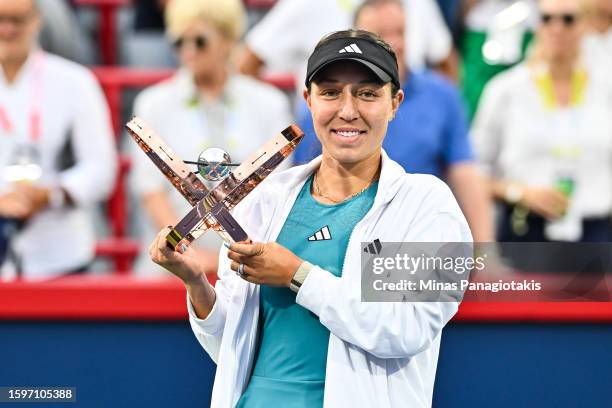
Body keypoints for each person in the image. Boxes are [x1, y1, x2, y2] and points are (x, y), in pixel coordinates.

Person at [150, 29, 472, 407]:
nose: (347, 110)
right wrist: (195, 283)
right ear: (308, 100)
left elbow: (401, 329)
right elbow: (229, 349)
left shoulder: (425, 205)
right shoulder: (265, 200)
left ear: (394, 103)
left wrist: (297, 275)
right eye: (330, 92)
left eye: (367, 93)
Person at [294, 0, 494, 242]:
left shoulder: (441, 95)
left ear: (394, 103)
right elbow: (303, 185)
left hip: (415, 230)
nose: (395, 42)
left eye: (399, 32)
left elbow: (465, 173)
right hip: (341, 231)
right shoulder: (323, 113)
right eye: (381, 36)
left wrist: (485, 251)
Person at [129, 0, 292, 276]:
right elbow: (151, 192)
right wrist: (185, 253)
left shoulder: (268, 102)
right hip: (171, 270)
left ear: (228, 40)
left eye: (200, 41)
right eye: (180, 42)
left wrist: (242, 253)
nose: (189, 51)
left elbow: (277, 188)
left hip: (248, 266)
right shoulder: (153, 103)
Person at [472, 0, 612, 243]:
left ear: (586, 25)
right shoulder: (505, 90)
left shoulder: (605, 89)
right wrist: (517, 192)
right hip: (526, 227)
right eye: (547, 19)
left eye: (568, 20)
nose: (556, 28)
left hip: (596, 230)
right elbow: (472, 172)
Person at [0, 0, 116, 279]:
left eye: (17, 19)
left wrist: (52, 194)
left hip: (61, 251)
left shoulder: (74, 81)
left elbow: (102, 168)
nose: (7, 29)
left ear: (37, 19)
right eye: (1, 19)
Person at [236, 0, 456, 92]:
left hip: (410, 129)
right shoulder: (308, 3)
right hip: (332, 134)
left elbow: (447, 62)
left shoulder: (418, 3)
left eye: (399, 32)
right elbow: (247, 62)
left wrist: (432, 113)